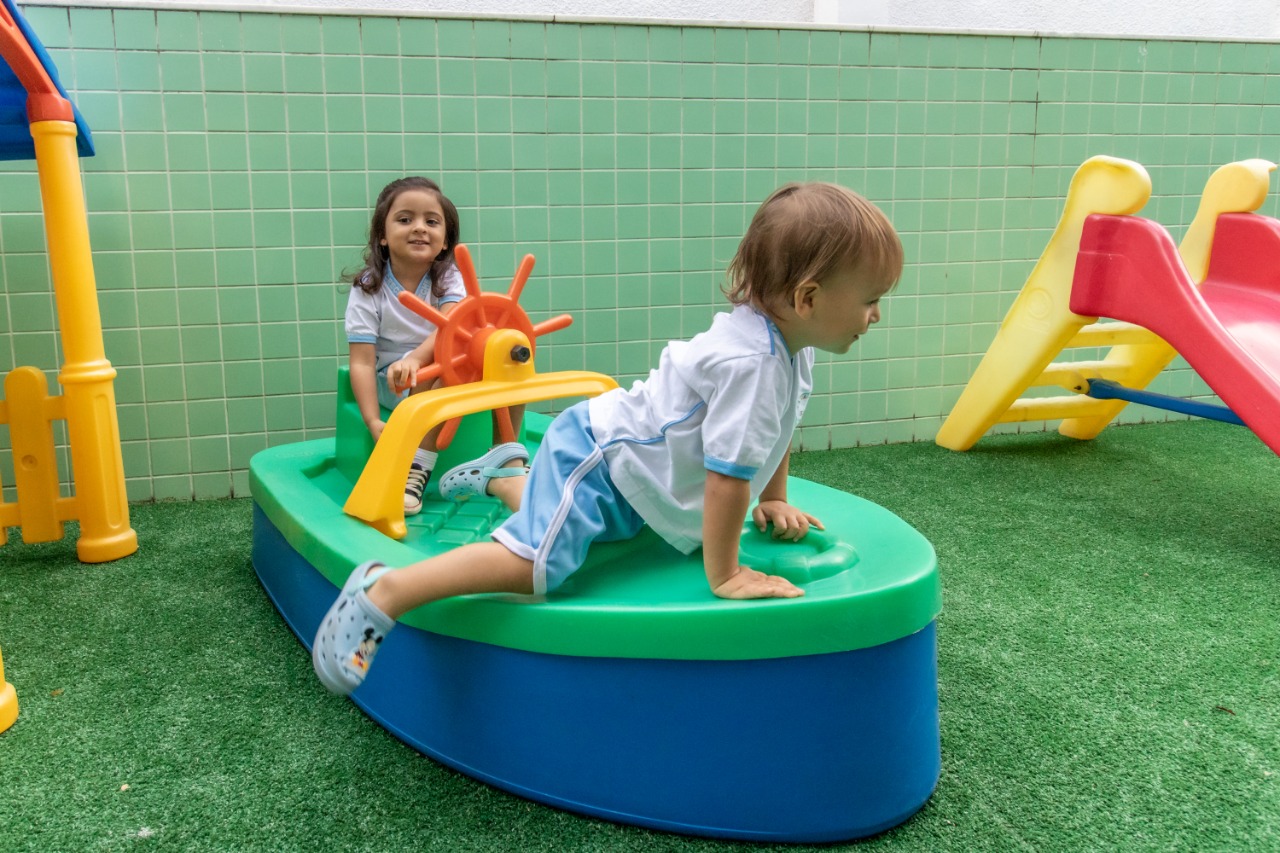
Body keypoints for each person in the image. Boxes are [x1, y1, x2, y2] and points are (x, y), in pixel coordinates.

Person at [315, 182, 903, 695]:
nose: (876, 316)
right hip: (600, 462)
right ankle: (383, 591)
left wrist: (773, 497)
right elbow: (727, 478)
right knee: (535, 568)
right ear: (807, 298)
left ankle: (502, 477)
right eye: (871, 300)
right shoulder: (752, 363)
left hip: (637, 477)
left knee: (589, 540)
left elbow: (773, 433)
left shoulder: (791, 351)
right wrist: (726, 575)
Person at [344, 176, 526, 515]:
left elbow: (450, 329)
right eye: (404, 219)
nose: (419, 228)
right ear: (382, 236)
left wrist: (419, 357)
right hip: (396, 379)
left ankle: (506, 455)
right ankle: (417, 468)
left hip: (449, 363)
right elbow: (362, 362)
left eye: (431, 221)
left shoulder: (448, 277)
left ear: (445, 241)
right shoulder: (370, 289)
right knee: (433, 377)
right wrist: (372, 421)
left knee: (510, 359)